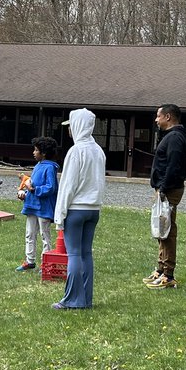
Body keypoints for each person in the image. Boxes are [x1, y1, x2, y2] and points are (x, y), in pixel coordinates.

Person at [53, 108, 106, 309]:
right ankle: (86, 299)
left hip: (76, 209)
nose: (69, 131)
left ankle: (72, 300)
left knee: (74, 254)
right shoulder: (98, 150)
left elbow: (68, 186)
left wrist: (60, 215)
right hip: (93, 210)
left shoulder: (76, 151)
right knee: (86, 254)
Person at [145, 104, 186, 290]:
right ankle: (160, 268)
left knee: (167, 230)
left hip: (169, 190)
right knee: (161, 228)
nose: (156, 120)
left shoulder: (175, 138)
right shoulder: (172, 136)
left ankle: (168, 274)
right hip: (164, 189)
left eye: (158, 116)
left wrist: (163, 188)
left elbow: (173, 166)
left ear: (168, 117)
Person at [16, 137, 59, 271]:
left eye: (36, 150)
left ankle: (47, 263)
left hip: (44, 208)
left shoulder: (50, 168)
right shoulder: (37, 166)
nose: (33, 153)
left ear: (44, 153)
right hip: (32, 206)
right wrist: (25, 194)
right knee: (30, 234)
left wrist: (34, 190)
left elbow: (51, 187)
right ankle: (30, 261)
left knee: (44, 235)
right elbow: (31, 184)